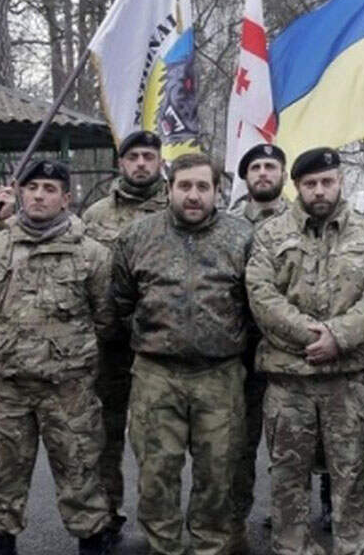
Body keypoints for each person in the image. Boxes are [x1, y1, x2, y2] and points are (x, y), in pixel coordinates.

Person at [246, 147, 364, 555]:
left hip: (349, 382)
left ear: (340, 181)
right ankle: (292, 548)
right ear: (296, 186)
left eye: (327, 181)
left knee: (352, 476)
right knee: (287, 479)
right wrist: (312, 336)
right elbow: (261, 294)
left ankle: (354, 548)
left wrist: (339, 338)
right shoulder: (271, 234)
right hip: (290, 380)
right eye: (310, 183)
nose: (319, 190)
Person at [109, 152, 252, 555]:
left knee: (218, 475)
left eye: (202, 187)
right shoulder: (137, 236)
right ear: (169, 188)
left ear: (217, 191)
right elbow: (120, 301)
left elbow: (254, 305)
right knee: (156, 475)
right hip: (156, 374)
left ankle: (209, 548)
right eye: (184, 186)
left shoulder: (242, 237)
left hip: (219, 375)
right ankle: (164, 547)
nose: (193, 195)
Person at [0, 160, 113, 555]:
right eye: (32, 187)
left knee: (79, 467)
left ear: (66, 199)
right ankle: (1, 541)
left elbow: (105, 315)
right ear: (20, 193)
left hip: (68, 388)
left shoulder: (92, 254)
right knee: (3, 471)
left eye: (49, 189)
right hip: (8, 386)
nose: (38, 195)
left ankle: (90, 540)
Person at [82, 130, 167, 539]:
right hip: (108, 343)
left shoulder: (178, 206)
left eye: (148, 157)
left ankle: (158, 521)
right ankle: (106, 514)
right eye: (133, 157)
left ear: (160, 161)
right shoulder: (95, 215)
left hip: (158, 342)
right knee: (103, 433)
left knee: (157, 439)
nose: (141, 164)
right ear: (121, 163)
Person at [227, 143, 290, 547]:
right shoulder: (227, 224)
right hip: (241, 352)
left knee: (290, 443)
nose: (264, 173)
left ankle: (287, 517)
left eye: (271, 166)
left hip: (289, 350)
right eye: (256, 167)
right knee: (240, 442)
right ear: (246, 177)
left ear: (283, 174)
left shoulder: (302, 220)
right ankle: (236, 519)